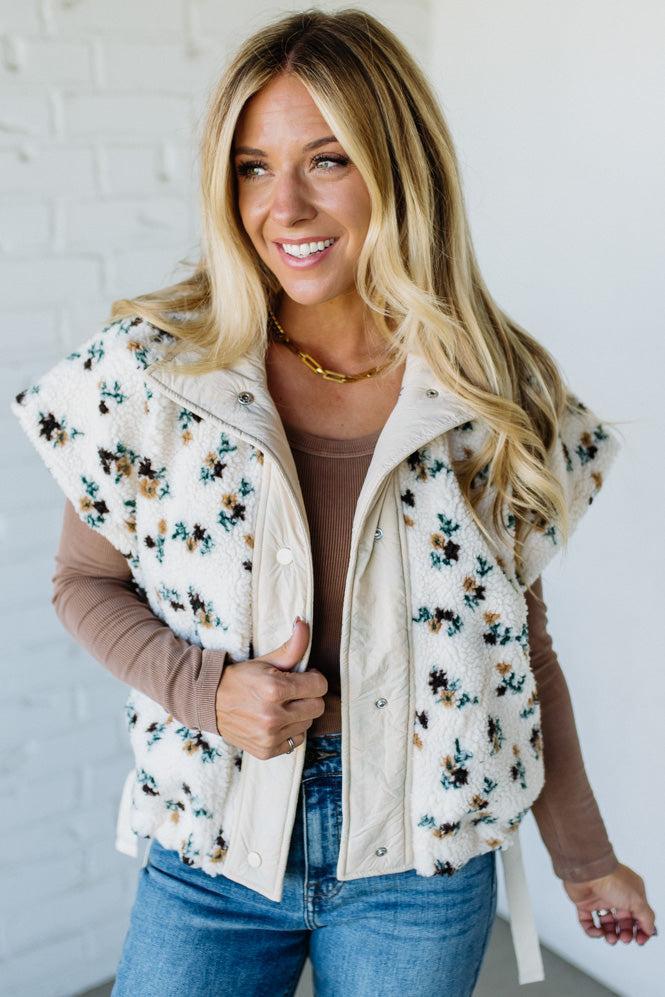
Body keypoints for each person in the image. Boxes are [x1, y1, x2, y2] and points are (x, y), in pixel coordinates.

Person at [10, 8, 656, 996]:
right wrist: (205, 692)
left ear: (399, 165)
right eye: (252, 167)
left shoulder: (494, 389)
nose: (285, 208)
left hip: (420, 864)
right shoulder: (159, 369)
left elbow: (515, 645)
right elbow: (82, 581)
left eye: (326, 159)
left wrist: (582, 855)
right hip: (211, 852)